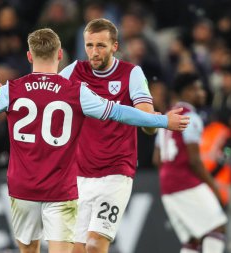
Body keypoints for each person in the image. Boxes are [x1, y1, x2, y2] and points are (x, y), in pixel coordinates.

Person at [0, 28, 189, 253]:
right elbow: (120, 112)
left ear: (29, 57)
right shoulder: (76, 91)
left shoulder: (11, 90)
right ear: (60, 55)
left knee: (30, 249)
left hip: (23, 186)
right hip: (62, 187)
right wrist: (163, 120)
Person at [58, 18, 160, 253]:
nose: (94, 52)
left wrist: (152, 123)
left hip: (116, 173)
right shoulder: (74, 70)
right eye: (90, 45)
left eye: (101, 46)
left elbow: (146, 117)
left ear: (115, 46)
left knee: (95, 245)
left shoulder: (131, 73)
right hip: (80, 176)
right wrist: (8, 94)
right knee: (75, 249)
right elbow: (44, 92)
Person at [153, 73, 227, 253]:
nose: (201, 93)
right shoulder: (190, 117)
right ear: (185, 92)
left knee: (192, 239)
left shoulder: (167, 115)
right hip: (184, 181)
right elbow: (194, 160)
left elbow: (157, 159)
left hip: (167, 184)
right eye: (196, 89)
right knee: (217, 226)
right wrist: (214, 187)